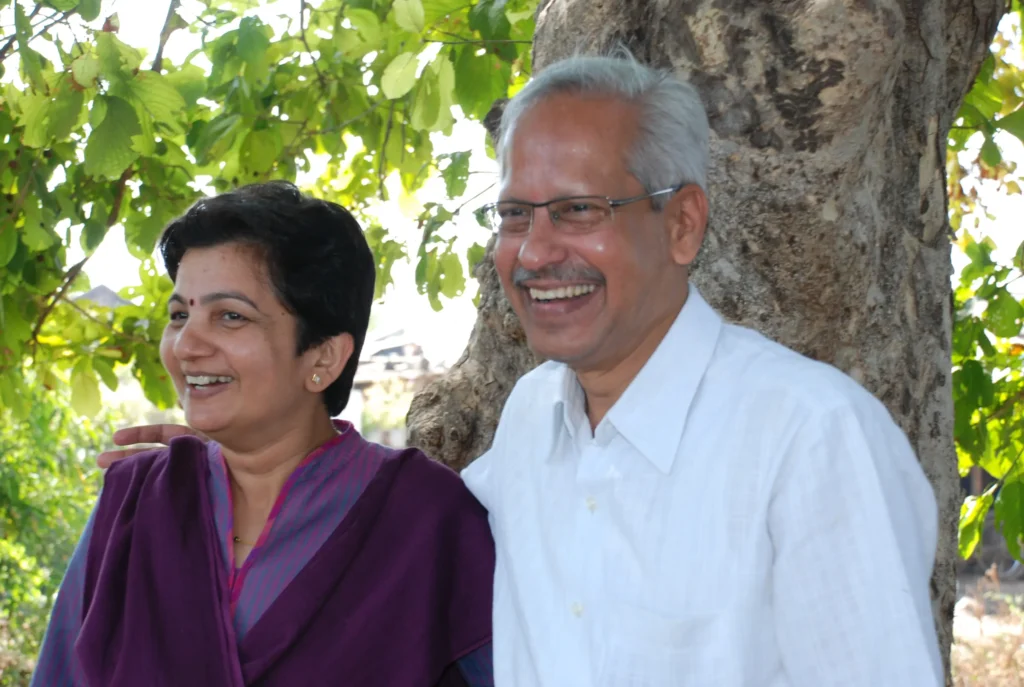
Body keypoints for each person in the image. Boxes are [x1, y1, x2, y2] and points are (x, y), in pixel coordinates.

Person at [100, 54, 943, 686]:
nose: (537, 253)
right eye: (514, 214)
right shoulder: (537, 418)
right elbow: (388, 518)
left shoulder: (810, 438)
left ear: (683, 223)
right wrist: (239, 449)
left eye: (580, 209)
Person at [33, 181, 495, 687]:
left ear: (324, 356)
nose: (187, 345)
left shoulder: (425, 518)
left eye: (230, 316)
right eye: (179, 315)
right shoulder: (137, 502)